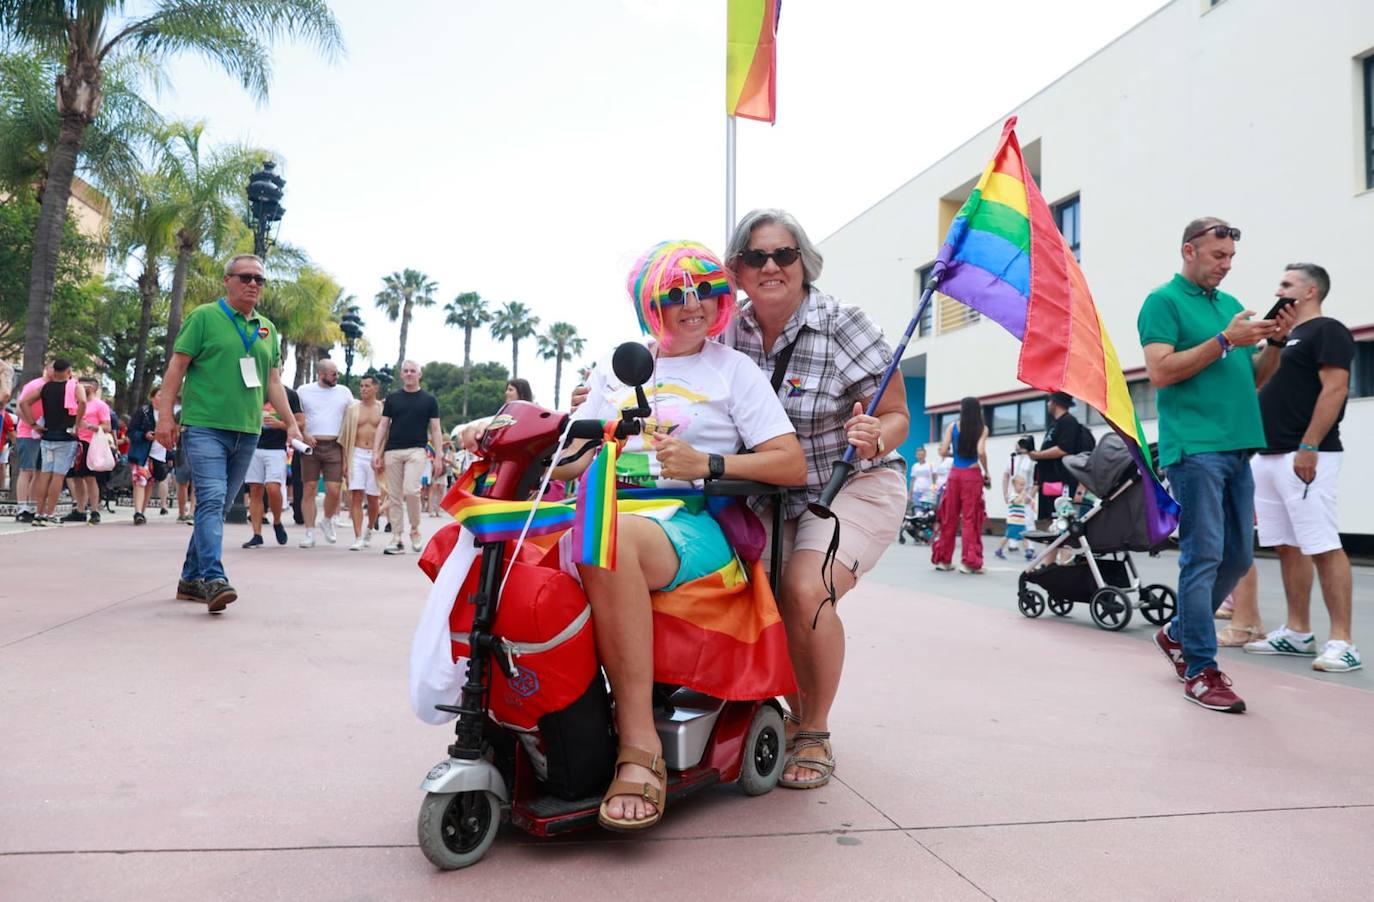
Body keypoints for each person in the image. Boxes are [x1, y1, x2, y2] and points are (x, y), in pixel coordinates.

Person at [559, 240, 805, 831]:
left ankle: (639, 746)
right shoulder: (618, 368)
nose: (693, 305)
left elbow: (789, 463)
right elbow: (569, 458)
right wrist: (508, 436)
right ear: (651, 305)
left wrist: (709, 465)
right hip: (606, 513)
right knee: (505, 554)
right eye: (675, 295)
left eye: (706, 291)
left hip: (694, 522)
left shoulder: (731, 369)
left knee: (607, 539)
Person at [721, 209, 909, 792]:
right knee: (731, 587)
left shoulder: (842, 322)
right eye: (757, 257)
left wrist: (876, 433)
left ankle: (814, 730)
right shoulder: (727, 330)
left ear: (804, 262)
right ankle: (767, 707)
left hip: (850, 485)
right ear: (738, 271)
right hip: (767, 497)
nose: (771, 266)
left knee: (805, 588)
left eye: (784, 254)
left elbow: (896, 413)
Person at [1137, 217, 1274, 713]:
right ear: (1189, 251)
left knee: (1237, 558)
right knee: (1204, 555)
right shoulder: (1162, 301)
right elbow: (1160, 371)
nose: (1226, 265)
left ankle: (1176, 634)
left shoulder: (1231, 308)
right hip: (1195, 450)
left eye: (1231, 258)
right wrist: (1225, 341)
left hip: (1239, 445)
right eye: (1218, 256)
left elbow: (1253, 378)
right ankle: (1200, 669)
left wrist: (1273, 342)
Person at [156, 254, 301, 614]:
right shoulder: (205, 317)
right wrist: (165, 417)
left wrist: (293, 423)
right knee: (211, 500)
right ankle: (213, 578)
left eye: (259, 279)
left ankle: (189, 580)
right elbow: (177, 366)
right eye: (245, 277)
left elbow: (272, 381)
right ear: (228, 280)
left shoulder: (267, 328)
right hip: (205, 426)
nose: (253, 284)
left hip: (248, 430)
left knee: (216, 505)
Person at [1242, 263, 1360, 672]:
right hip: (1270, 456)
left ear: (1310, 291)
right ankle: (1297, 632)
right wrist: (1273, 342)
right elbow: (1258, 383)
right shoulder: (1285, 339)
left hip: (1308, 456)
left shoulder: (1327, 330)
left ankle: (1343, 642)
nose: (1279, 290)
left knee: (1322, 545)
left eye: (1287, 284)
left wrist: (1310, 445)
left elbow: (1336, 388)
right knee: (1287, 546)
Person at [372, 360, 443, 555]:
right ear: (401, 375)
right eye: (406, 371)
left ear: (419, 375)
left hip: (417, 451)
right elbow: (383, 426)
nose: (409, 374)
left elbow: (435, 429)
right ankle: (396, 537)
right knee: (394, 496)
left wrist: (438, 456)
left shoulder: (429, 400)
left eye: (413, 371)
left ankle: (415, 529)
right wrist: (376, 452)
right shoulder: (393, 398)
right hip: (392, 451)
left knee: (411, 490)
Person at [18, 358, 86, 525]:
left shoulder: (45, 387)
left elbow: (24, 402)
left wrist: (33, 424)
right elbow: (83, 401)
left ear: (54, 371)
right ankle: (49, 513)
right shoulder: (75, 386)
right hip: (66, 437)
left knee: (44, 475)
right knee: (58, 476)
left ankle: (39, 513)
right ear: (69, 372)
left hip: (47, 437)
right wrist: (77, 423)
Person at [295, 359, 354, 547]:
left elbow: (354, 413)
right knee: (309, 488)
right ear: (321, 374)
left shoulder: (344, 392)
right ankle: (309, 532)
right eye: (333, 374)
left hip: (335, 445)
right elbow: (294, 416)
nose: (337, 376)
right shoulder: (303, 391)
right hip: (310, 445)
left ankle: (327, 520)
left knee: (334, 490)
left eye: (337, 373)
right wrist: (304, 434)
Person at [930, 397, 990, 573]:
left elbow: (942, 451)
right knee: (970, 519)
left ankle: (943, 560)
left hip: (954, 475)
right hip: (972, 475)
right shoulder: (982, 428)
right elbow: (980, 452)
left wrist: (955, 454)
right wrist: (987, 471)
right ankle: (969, 562)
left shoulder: (952, 426)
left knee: (949, 517)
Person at [242, 384, 302, 548]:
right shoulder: (252, 388)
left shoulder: (289, 394)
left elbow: (300, 423)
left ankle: (277, 521)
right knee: (255, 490)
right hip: (253, 446)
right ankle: (257, 534)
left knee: (273, 487)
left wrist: (280, 424)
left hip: (276, 448)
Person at [340, 373, 384, 550]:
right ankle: (357, 536)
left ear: (375, 388)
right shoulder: (353, 409)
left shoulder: (382, 408)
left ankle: (370, 528)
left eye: (367, 386)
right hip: (356, 453)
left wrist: (381, 456)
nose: (364, 389)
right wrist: (345, 460)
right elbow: (345, 436)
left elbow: (386, 435)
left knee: (373, 499)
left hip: (374, 455)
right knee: (355, 495)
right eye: (361, 386)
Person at [1026, 393, 1083, 527]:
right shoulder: (1054, 424)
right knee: (1050, 520)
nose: (1047, 404)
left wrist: (1038, 455)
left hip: (1062, 480)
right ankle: (1054, 547)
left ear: (1055, 403)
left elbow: (1063, 449)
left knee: (1062, 520)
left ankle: (1064, 548)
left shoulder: (1068, 422)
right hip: (1048, 480)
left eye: (1049, 401)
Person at [63, 376, 111, 524]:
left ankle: (95, 510)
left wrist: (90, 426)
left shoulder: (100, 405)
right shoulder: (75, 404)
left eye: (87, 385)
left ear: (94, 388)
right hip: (75, 442)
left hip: (90, 443)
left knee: (90, 477)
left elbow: (107, 426)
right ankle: (80, 509)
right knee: (76, 477)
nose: (83, 387)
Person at [11, 362, 52, 523]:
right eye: (53, 369)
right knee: (26, 470)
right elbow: (20, 409)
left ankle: (33, 506)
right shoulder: (34, 385)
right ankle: (22, 508)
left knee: (40, 472)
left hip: (46, 434)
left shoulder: (56, 388)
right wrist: (34, 424)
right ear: (47, 369)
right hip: (28, 433)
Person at [126, 385, 165, 525]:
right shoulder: (144, 412)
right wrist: (144, 435)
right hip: (142, 453)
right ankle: (138, 512)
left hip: (159, 454)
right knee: (139, 482)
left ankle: (142, 511)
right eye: (160, 395)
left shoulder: (168, 414)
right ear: (153, 397)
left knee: (149, 483)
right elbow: (131, 431)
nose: (163, 398)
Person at [997, 473, 1033, 561]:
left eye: (1023, 485)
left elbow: (1026, 502)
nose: (1022, 487)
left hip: (1020, 521)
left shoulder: (1021, 495)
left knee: (1024, 536)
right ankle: (999, 549)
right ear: (1014, 485)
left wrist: (1028, 498)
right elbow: (1016, 502)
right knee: (1007, 536)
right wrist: (1022, 496)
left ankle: (1028, 551)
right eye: (1020, 485)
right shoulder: (1013, 495)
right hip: (1014, 521)